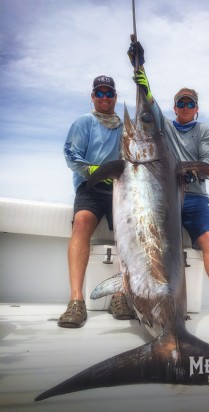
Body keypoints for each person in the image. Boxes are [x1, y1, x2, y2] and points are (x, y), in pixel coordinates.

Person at [128, 43, 209, 330]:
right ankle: (160, 306)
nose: (185, 108)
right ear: (174, 107)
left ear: (196, 109)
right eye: (181, 103)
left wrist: (191, 175)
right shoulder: (165, 127)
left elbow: (205, 160)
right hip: (167, 200)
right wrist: (139, 68)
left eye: (190, 104)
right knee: (163, 250)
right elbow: (148, 106)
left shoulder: (205, 131)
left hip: (196, 197)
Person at [58, 75, 135, 328]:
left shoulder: (126, 127)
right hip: (90, 187)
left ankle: (120, 297)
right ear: (93, 97)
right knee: (81, 223)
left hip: (119, 189)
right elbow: (72, 155)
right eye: (99, 93)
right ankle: (76, 301)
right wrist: (94, 171)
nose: (104, 97)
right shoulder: (84, 122)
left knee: (127, 236)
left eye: (108, 93)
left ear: (115, 96)